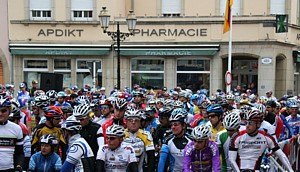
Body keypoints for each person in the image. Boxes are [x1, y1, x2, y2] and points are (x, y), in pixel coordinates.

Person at [229, 107, 294, 171]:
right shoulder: (237, 136)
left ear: (259, 124)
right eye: (246, 122)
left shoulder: (266, 137)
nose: (247, 126)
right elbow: (231, 159)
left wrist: (290, 170)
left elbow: (281, 155)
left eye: (251, 123)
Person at [0, 95, 24, 171]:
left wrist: (19, 166)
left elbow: (20, 152)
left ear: (9, 111)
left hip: (9, 169)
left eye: (3, 111)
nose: (0, 114)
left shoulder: (16, 128)